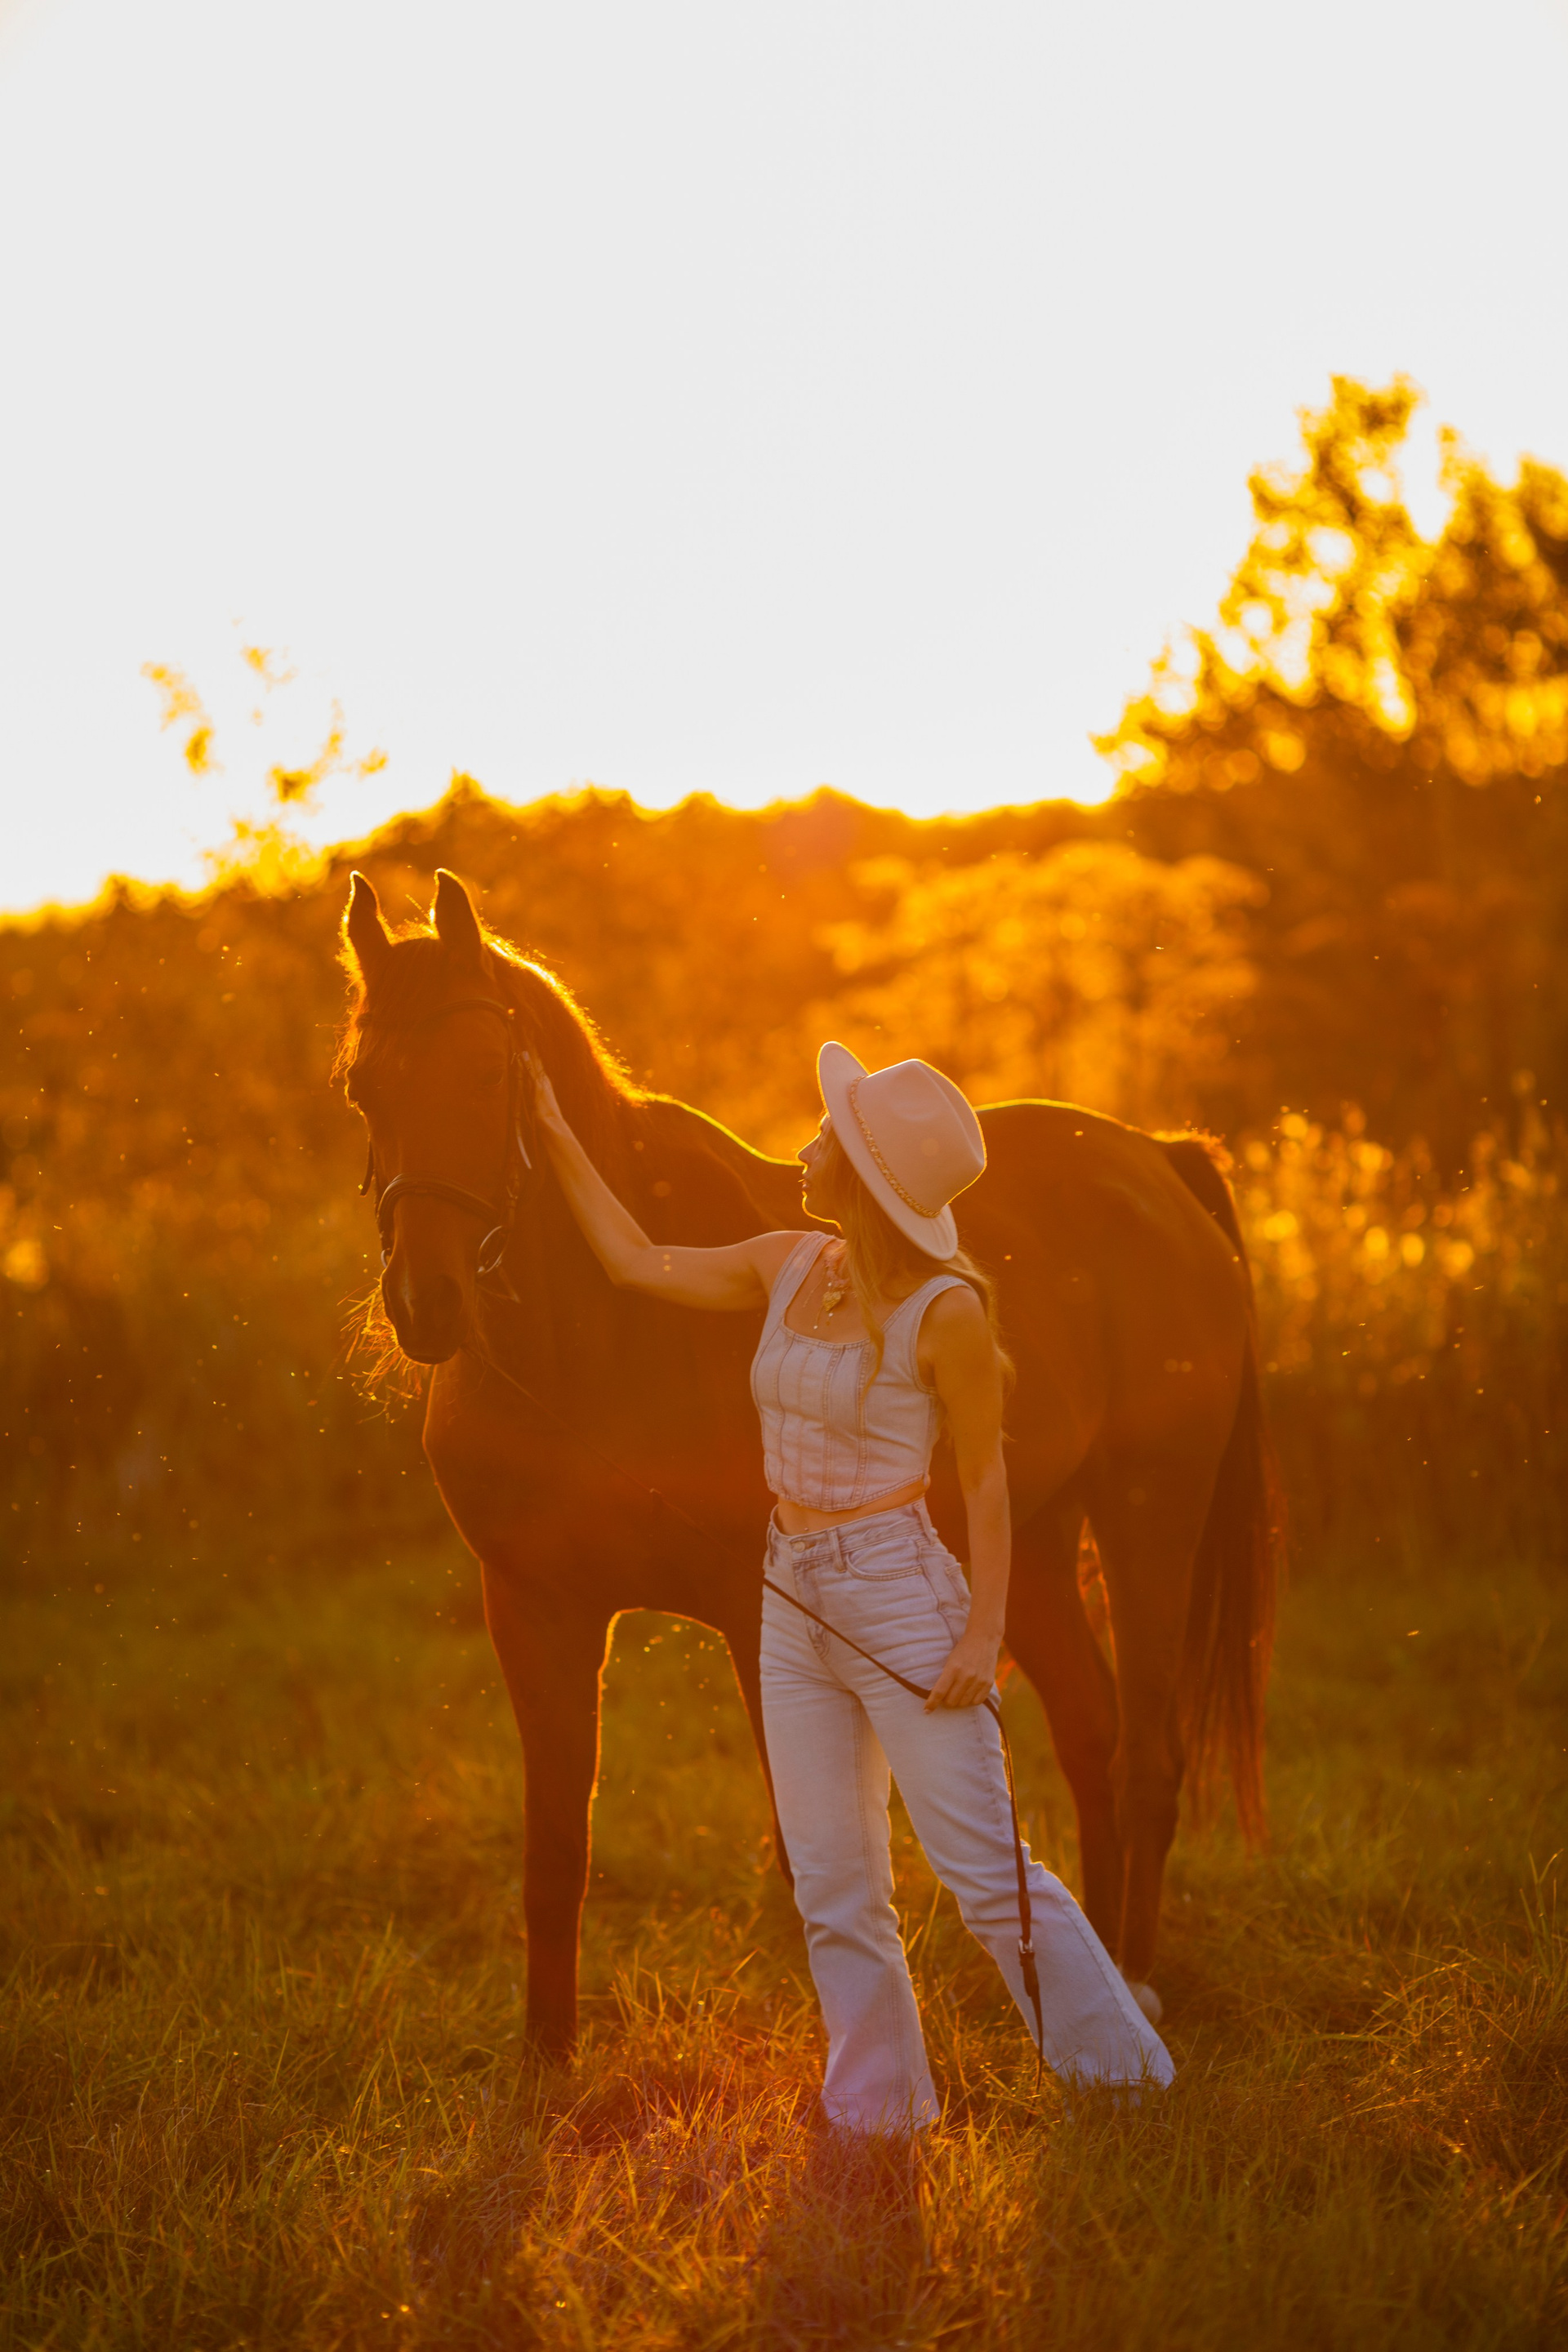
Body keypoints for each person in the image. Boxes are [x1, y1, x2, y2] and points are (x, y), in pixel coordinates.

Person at [530, 1040, 1172, 2131]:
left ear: (868, 1173)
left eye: (826, 1135)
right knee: (833, 1883)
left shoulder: (946, 1313)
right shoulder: (785, 1262)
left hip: (898, 1595)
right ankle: (879, 2109)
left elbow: (987, 1481)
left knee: (985, 1875)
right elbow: (636, 1260)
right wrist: (552, 1130)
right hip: (791, 1598)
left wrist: (980, 1635)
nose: (803, 1145)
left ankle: (1125, 2079)